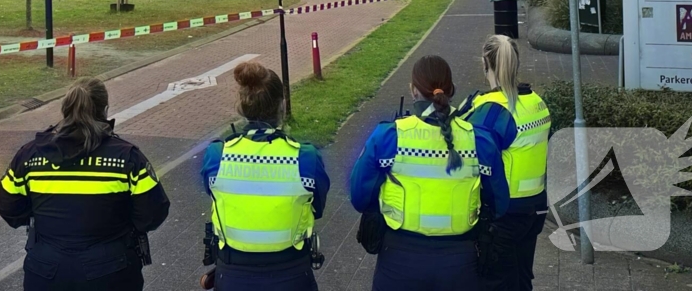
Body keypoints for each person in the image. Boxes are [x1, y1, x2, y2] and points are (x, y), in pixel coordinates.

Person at [350, 55, 509, 291]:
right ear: (451, 89)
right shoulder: (480, 141)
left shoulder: (388, 137)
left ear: (413, 91)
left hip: (399, 261)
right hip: (460, 263)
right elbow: (499, 204)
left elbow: (359, 197)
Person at [0, 77, 170, 290]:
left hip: (45, 269)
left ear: (65, 110)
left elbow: (9, 209)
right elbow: (153, 214)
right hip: (111, 270)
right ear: (104, 110)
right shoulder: (127, 158)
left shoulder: (29, 155)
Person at [201, 61, 330, 290]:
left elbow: (214, 192)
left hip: (232, 275)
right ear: (282, 106)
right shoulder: (306, 158)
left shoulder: (217, 155)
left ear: (241, 106)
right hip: (291, 274)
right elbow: (317, 208)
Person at [459, 35, 551, 291]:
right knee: (522, 278)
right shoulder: (537, 102)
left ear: (485, 63)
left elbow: (468, 156)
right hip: (535, 207)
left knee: (496, 281)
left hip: (503, 213)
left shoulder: (492, 111)